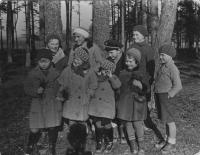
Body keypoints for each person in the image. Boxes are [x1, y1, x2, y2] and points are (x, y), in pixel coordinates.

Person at [57, 47, 98, 154]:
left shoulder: (89, 72)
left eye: (79, 59)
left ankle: (81, 144)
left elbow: (93, 85)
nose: (75, 60)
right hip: (70, 101)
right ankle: (72, 145)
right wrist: (62, 92)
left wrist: (88, 95)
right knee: (72, 124)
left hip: (83, 102)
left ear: (84, 61)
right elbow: (62, 84)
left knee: (82, 123)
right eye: (75, 57)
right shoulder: (67, 70)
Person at [24, 49, 62, 155]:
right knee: (35, 128)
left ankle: (52, 147)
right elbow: (27, 88)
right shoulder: (32, 73)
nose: (43, 64)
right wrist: (36, 91)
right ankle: (31, 145)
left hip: (52, 103)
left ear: (50, 61)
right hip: (37, 103)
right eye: (41, 61)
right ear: (38, 61)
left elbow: (61, 87)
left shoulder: (56, 73)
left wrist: (60, 95)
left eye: (46, 61)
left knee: (52, 126)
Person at [117, 48, 147, 155]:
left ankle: (141, 146)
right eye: (126, 61)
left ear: (137, 62)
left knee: (137, 123)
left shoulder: (141, 73)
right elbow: (119, 88)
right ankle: (133, 146)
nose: (128, 63)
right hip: (125, 103)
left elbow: (146, 89)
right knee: (128, 123)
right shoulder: (122, 73)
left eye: (130, 61)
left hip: (137, 102)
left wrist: (140, 85)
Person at [154, 44, 182, 154]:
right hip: (161, 97)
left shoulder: (172, 68)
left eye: (163, 55)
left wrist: (169, 95)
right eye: (160, 55)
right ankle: (167, 140)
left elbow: (178, 86)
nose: (160, 57)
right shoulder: (164, 66)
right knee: (165, 120)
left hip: (168, 98)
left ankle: (172, 143)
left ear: (170, 56)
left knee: (170, 121)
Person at [88, 59, 121, 153]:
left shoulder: (113, 79)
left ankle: (109, 141)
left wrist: (111, 76)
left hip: (107, 106)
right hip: (96, 106)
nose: (103, 72)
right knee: (97, 123)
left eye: (106, 70)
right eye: (102, 70)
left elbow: (117, 85)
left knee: (106, 124)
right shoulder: (97, 78)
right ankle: (99, 141)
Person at [128, 25, 155, 130]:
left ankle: (144, 122)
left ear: (143, 36)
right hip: (131, 78)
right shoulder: (131, 47)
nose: (134, 37)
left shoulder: (148, 49)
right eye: (133, 35)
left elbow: (151, 67)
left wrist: (148, 80)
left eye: (137, 35)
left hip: (143, 80)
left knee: (142, 101)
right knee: (132, 99)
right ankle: (133, 120)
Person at [104, 40, 126, 143]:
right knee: (112, 112)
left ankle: (123, 134)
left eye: (111, 52)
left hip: (124, 91)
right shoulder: (108, 60)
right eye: (108, 52)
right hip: (112, 91)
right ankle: (114, 134)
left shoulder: (126, 59)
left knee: (122, 112)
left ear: (119, 50)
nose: (109, 55)